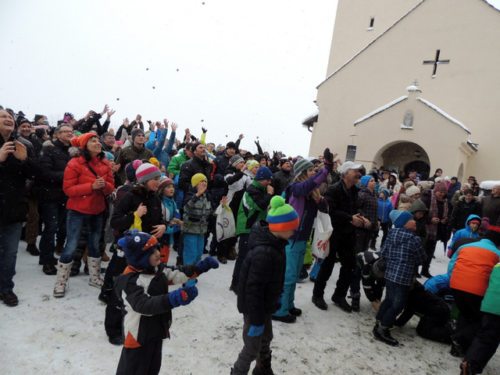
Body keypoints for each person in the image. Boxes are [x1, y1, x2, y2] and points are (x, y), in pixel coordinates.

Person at [114, 230, 218, 375]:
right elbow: (145, 305)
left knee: (152, 368)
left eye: (157, 248)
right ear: (140, 257)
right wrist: (175, 298)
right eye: (152, 251)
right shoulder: (129, 281)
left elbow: (176, 274)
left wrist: (199, 268)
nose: (158, 253)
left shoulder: (156, 270)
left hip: (156, 331)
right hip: (138, 338)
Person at [231, 196, 299, 375]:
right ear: (281, 228)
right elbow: (254, 290)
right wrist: (255, 319)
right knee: (251, 347)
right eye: (291, 228)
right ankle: (238, 372)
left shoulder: (276, 243)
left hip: (265, 305)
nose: (294, 232)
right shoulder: (264, 252)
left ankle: (263, 369)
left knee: (266, 338)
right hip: (254, 308)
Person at [53, 133, 114, 298]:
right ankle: (61, 282)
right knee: (71, 245)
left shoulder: (105, 163)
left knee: (95, 244)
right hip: (77, 211)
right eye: (93, 141)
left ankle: (94, 277)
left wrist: (103, 186)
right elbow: (68, 190)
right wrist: (91, 186)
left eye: (97, 140)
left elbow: (110, 187)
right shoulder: (74, 163)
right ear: (85, 145)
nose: (97, 143)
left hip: (97, 210)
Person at [272, 152, 331, 323]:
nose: (314, 172)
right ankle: (280, 310)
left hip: (302, 238)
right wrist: (325, 169)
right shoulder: (295, 188)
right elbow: (311, 184)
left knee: (294, 274)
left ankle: (288, 304)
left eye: (315, 169)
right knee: (288, 276)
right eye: (311, 170)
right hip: (291, 238)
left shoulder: (310, 193)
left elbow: (325, 207)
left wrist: (320, 200)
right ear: (303, 173)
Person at [312, 161, 365, 312]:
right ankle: (317, 295)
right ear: (346, 173)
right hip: (334, 233)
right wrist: (350, 218)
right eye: (355, 171)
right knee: (327, 265)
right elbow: (330, 212)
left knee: (349, 266)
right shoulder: (334, 189)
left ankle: (339, 296)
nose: (358, 174)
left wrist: (361, 217)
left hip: (349, 234)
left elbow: (355, 208)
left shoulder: (355, 190)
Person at [373, 210, 426, 346]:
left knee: (389, 299)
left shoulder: (391, 234)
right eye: (411, 219)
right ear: (405, 224)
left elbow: (383, 252)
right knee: (398, 305)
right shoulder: (415, 240)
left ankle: (379, 321)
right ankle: (383, 328)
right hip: (403, 277)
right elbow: (421, 259)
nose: (414, 221)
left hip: (390, 274)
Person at [0, 109, 35, 306]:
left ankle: (6, 288)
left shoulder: (21, 144)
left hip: (13, 209)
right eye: (3, 116)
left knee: (10, 253)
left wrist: (25, 160)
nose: (8, 119)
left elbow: (37, 174)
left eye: (9, 117)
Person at [447, 226, 500, 357]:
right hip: (477, 290)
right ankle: (459, 339)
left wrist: (454, 280)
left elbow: (451, 265)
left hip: (456, 284)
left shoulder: (466, 247)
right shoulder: (497, 254)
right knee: (478, 320)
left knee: (464, 314)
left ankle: (457, 347)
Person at [230, 166, 274, 293]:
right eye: (267, 180)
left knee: (250, 258)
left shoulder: (260, 189)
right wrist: (270, 194)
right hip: (247, 228)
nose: (269, 183)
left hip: (255, 228)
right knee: (243, 257)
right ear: (261, 179)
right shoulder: (252, 190)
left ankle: (243, 282)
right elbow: (260, 205)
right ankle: (236, 283)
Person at [37, 124, 73, 275]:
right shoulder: (49, 150)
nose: (68, 134)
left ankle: (49, 255)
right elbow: (45, 172)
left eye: (70, 132)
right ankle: (46, 259)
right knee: (51, 227)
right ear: (57, 134)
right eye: (65, 132)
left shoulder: (74, 152)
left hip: (67, 196)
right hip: (50, 195)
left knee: (63, 227)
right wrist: (67, 176)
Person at [460, 262, 500, 375]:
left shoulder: (497, 265)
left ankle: (469, 362)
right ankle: (471, 365)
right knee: (490, 340)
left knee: (484, 336)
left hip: (489, 304)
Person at [182, 173, 214, 265]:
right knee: (190, 254)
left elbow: (210, 213)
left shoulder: (207, 197)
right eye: (201, 181)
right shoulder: (190, 195)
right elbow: (186, 208)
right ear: (195, 184)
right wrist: (197, 195)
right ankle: (188, 277)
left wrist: (222, 208)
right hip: (190, 230)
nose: (204, 183)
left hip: (201, 231)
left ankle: (194, 275)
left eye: (205, 181)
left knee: (198, 254)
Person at [421, 181, 450, 278]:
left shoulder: (445, 201)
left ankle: (425, 269)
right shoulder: (427, 198)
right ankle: (414, 270)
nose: (442, 194)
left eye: (444, 192)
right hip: (425, 229)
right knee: (421, 250)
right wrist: (430, 220)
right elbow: (420, 214)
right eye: (440, 192)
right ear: (436, 190)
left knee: (430, 251)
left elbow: (447, 214)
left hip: (437, 230)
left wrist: (445, 219)